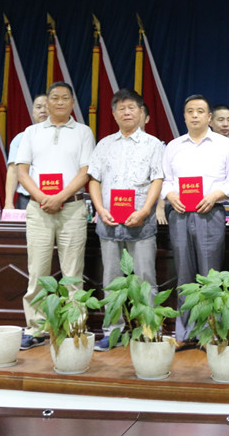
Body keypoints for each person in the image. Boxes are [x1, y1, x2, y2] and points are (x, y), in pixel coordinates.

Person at [15, 81, 95, 350]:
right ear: (46, 102)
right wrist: (42, 197)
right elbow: (22, 171)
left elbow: (86, 172)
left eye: (65, 98)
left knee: (73, 272)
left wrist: (60, 197)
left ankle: (75, 327)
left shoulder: (83, 132)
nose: (59, 102)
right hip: (38, 209)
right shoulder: (31, 132)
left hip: (71, 208)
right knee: (37, 271)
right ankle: (35, 328)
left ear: (72, 103)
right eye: (54, 98)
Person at [86, 88, 164, 351]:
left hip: (141, 222)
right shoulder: (104, 144)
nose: (127, 112)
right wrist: (100, 209)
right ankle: (113, 331)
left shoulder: (154, 144)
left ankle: (149, 330)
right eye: (121, 108)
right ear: (114, 114)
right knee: (111, 279)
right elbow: (94, 180)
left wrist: (145, 210)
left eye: (132, 108)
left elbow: (157, 180)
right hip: (108, 221)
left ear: (141, 112)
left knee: (145, 278)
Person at [162, 94, 229, 347]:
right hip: (180, 214)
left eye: (200, 111)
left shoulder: (224, 145)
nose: (194, 115)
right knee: (184, 275)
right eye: (190, 111)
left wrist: (215, 194)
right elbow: (165, 181)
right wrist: (171, 195)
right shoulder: (173, 146)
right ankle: (184, 334)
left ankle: (211, 333)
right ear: (184, 116)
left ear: (209, 117)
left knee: (210, 275)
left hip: (211, 213)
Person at [3, 94, 49, 213]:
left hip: (56, 198)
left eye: (47, 106)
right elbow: (13, 171)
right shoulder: (21, 138)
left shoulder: (63, 137)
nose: (43, 110)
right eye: (38, 107)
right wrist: (8, 203)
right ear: (33, 112)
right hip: (27, 200)